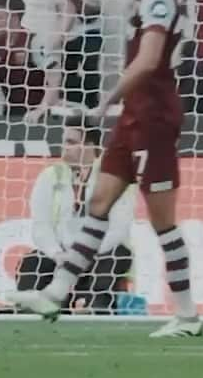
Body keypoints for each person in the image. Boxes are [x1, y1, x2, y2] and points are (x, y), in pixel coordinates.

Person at [12, 0, 203, 340]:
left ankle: (187, 315)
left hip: (153, 117)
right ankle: (56, 293)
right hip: (134, 115)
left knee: (163, 222)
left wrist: (106, 99)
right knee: (99, 201)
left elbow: (150, 58)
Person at [14, 118, 133, 314]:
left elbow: (119, 229)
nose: (65, 147)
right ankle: (29, 313)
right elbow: (41, 226)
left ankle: (95, 310)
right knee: (32, 261)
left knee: (117, 255)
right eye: (65, 141)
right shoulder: (50, 175)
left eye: (71, 142)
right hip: (61, 255)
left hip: (101, 252)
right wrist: (57, 254)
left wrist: (84, 255)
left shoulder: (114, 175)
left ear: (89, 146)